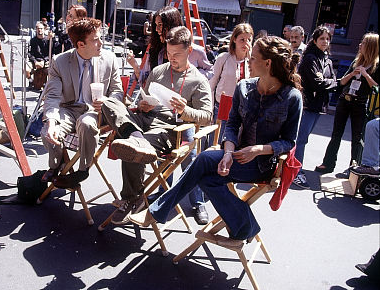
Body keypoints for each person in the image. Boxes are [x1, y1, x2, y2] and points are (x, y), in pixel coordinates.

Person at [129, 36, 303, 242]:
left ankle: (157, 211)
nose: (248, 59)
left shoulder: (292, 97)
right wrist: (228, 153)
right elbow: (232, 125)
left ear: (268, 64)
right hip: (236, 154)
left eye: (253, 57)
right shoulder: (244, 87)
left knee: (203, 161)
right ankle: (246, 226)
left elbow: (289, 142)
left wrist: (257, 150)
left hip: (263, 163)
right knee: (206, 178)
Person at [101, 26, 213, 225]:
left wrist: (185, 111)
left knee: (129, 146)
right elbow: (142, 98)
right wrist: (141, 105)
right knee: (109, 103)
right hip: (144, 120)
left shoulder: (199, 80)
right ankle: (135, 136)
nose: (171, 58)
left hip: (169, 129)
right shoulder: (159, 71)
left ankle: (131, 198)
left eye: (176, 54)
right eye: (169, 53)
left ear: (189, 51)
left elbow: (207, 116)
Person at [40, 17, 123, 188]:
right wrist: (51, 123)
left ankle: (83, 170)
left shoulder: (109, 59)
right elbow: (53, 96)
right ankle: (58, 165)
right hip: (69, 108)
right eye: (95, 40)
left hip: (97, 110)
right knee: (47, 131)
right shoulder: (60, 61)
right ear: (80, 45)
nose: (101, 43)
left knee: (86, 123)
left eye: (101, 38)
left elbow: (118, 91)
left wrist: (108, 101)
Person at [315, 33, 379, 174]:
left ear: (371, 47)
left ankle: (353, 168)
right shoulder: (356, 61)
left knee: (357, 137)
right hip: (345, 100)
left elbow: (376, 87)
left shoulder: (376, 66)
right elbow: (342, 82)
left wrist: (365, 74)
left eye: (364, 43)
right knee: (336, 133)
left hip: (361, 104)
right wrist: (352, 74)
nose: (360, 45)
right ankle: (328, 163)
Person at [293, 26, 337, 189]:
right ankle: (296, 172)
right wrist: (331, 83)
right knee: (301, 139)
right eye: (322, 39)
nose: (325, 41)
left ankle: (292, 168)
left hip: (318, 105)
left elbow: (332, 80)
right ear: (315, 40)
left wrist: (330, 82)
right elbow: (318, 83)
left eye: (327, 39)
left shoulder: (327, 59)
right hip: (308, 104)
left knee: (302, 139)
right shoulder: (311, 58)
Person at [209, 23, 253, 142]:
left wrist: (251, 59)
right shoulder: (224, 58)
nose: (245, 43)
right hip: (223, 105)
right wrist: (209, 108)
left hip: (243, 109)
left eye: (249, 39)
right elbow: (212, 83)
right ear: (234, 39)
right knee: (217, 141)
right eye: (242, 40)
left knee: (235, 143)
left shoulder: (252, 62)